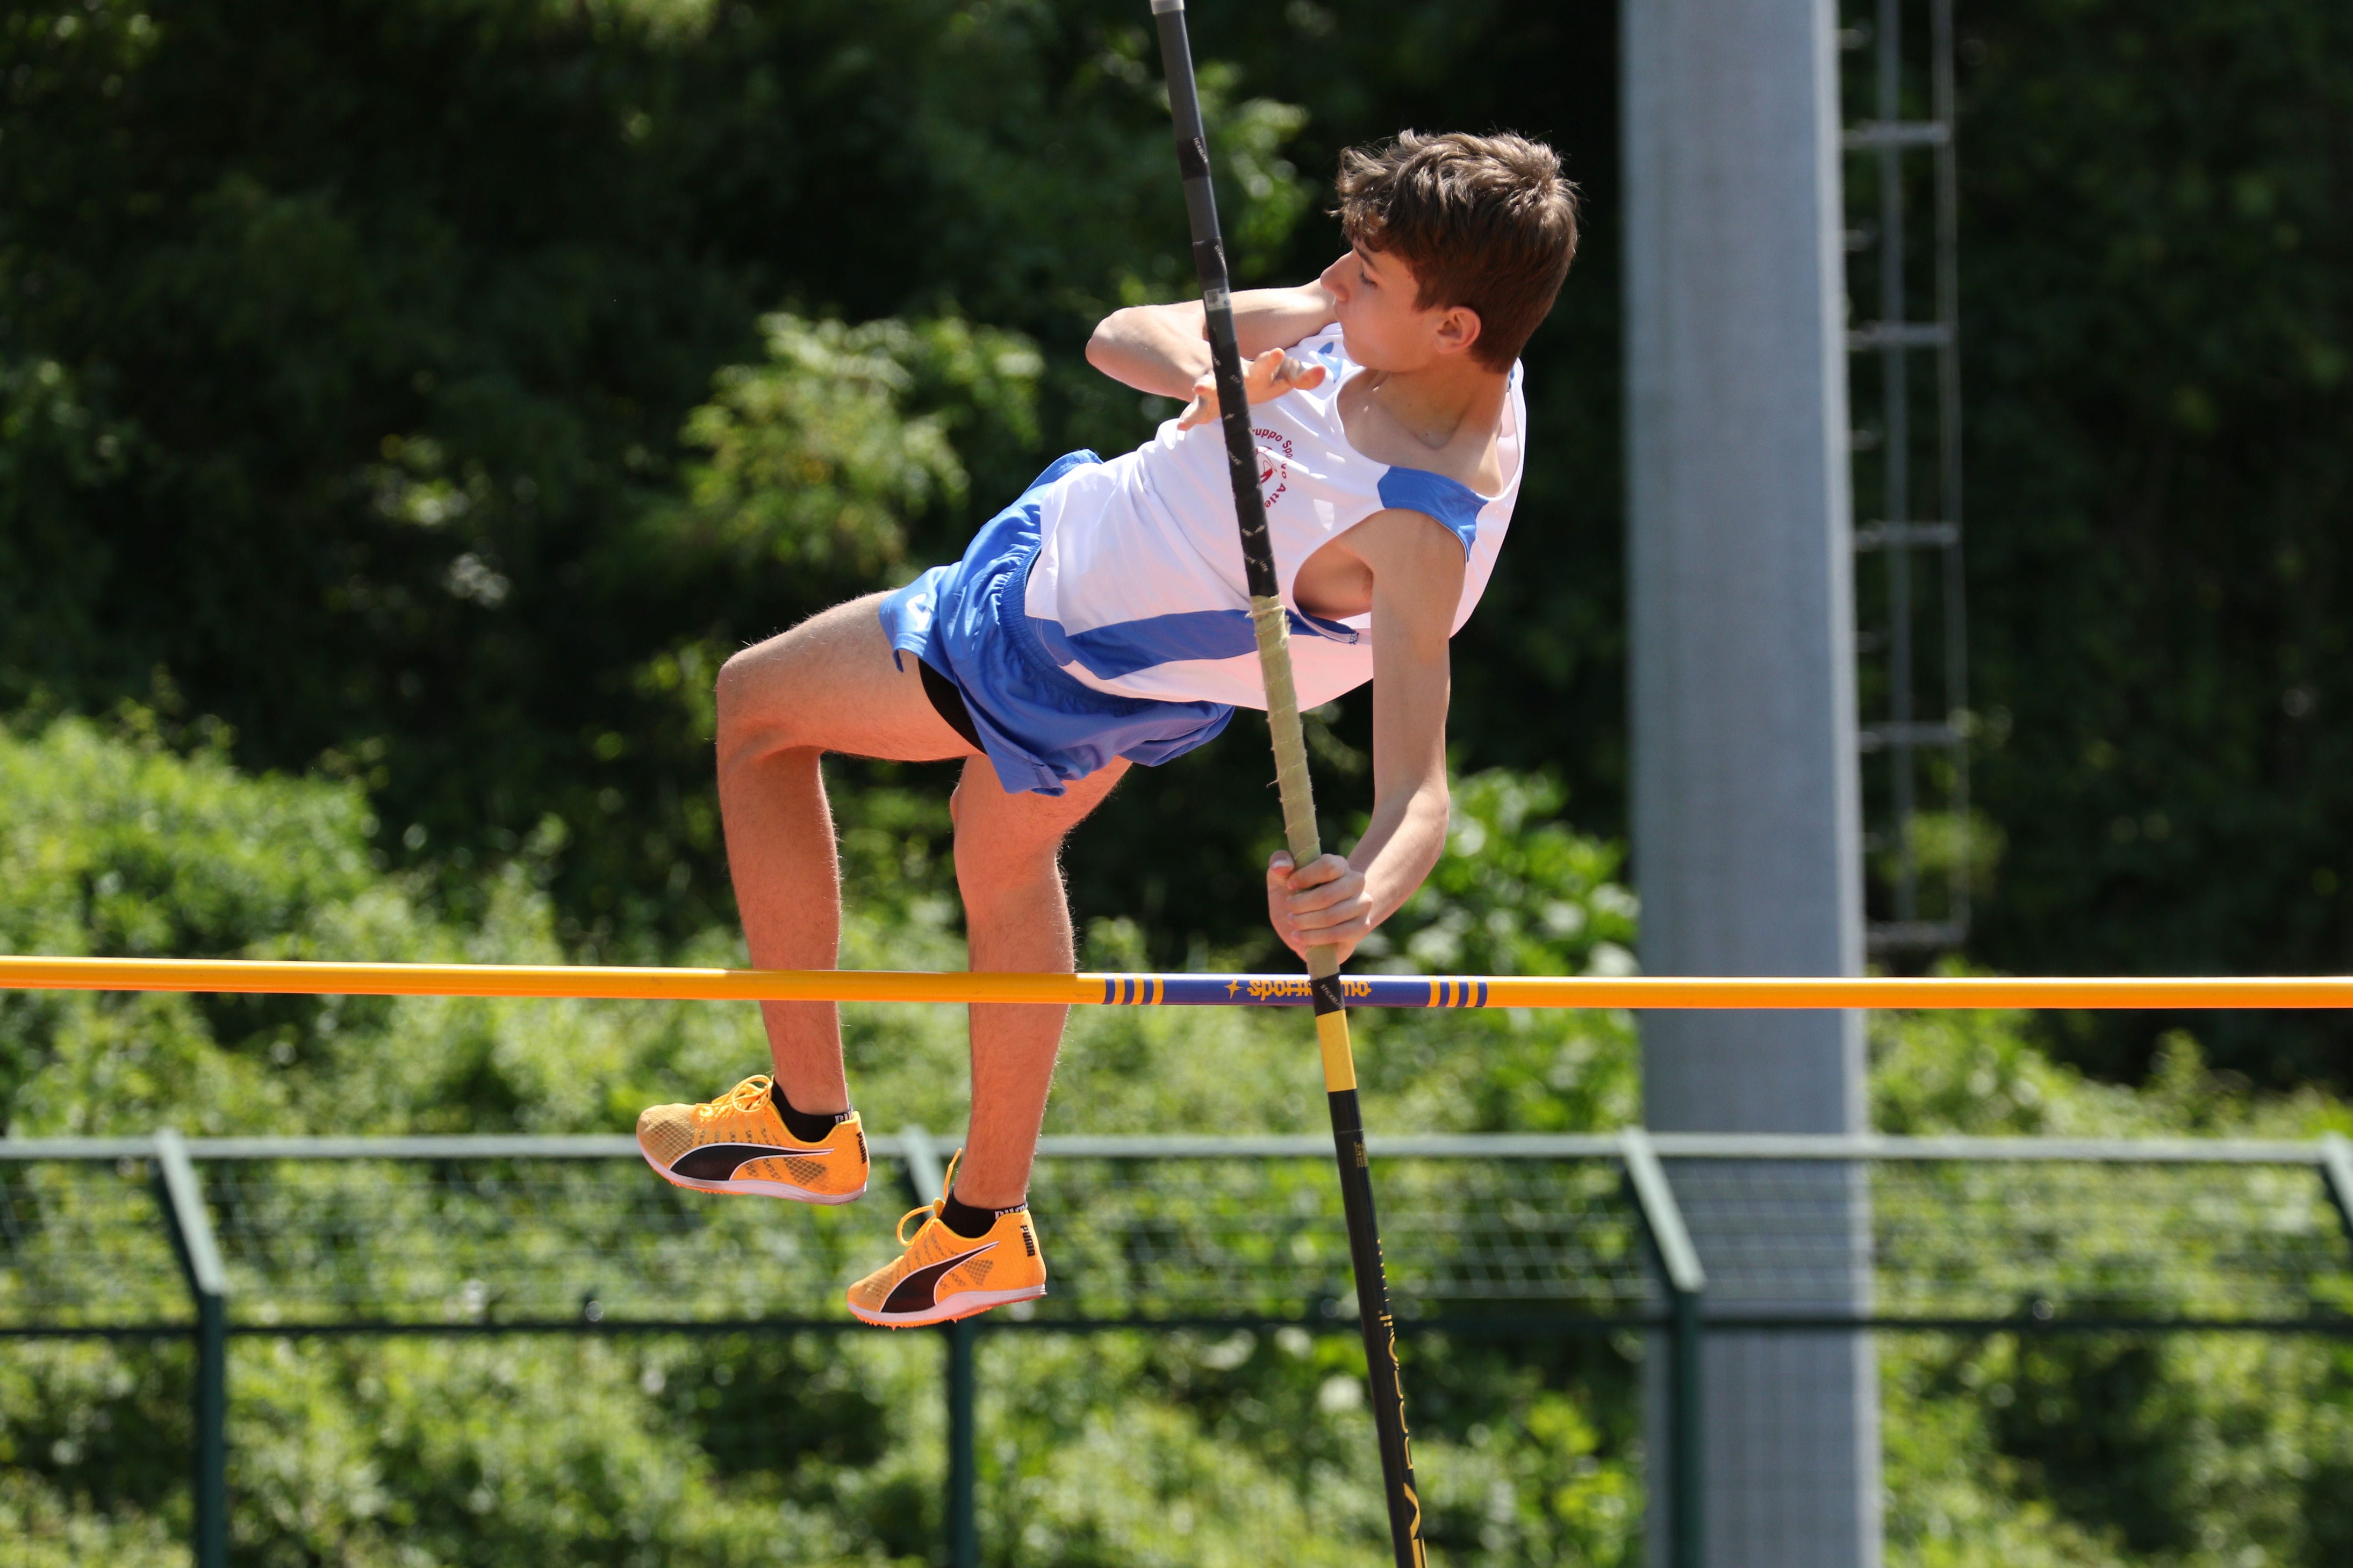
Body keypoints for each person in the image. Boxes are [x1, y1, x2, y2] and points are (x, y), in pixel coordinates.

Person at [634, 131, 1580, 1326]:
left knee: (756, 711)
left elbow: (1418, 794)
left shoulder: (1416, 525)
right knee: (1000, 853)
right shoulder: (1400, 317)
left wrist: (1357, 899)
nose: (1337, 284)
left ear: (1454, 327)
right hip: (1078, 569)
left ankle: (805, 1118)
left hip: (1047, 648)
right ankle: (983, 1226)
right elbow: (1123, 334)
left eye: (1367, 277)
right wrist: (1215, 372)